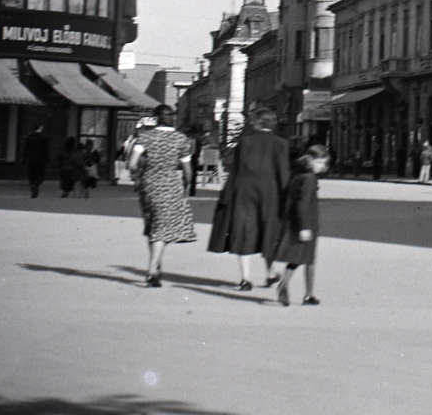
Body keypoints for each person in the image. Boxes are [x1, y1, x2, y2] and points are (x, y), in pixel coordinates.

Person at [208, 105, 291, 290]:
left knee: (244, 231)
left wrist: (226, 195)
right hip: (271, 193)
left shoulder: (244, 142)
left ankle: (245, 279)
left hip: (244, 192)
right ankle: (270, 273)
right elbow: (284, 173)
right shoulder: (281, 144)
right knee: (268, 231)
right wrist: (287, 198)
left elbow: (235, 171)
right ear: (273, 124)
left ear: (256, 123)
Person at [129, 106, 197, 286]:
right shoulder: (181, 139)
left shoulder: (144, 137)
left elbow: (132, 163)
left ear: (156, 118)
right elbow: (188, 171)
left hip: (148, 184)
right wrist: (186, 187)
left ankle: (157, 267)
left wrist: (138, 178)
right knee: (163, 227)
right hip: (171, 185)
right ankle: (152, 270)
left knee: (153, 225)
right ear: (172, 118)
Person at [272, 141, 328, 306]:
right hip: (306, 224)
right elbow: (302, 204)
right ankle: (307, 293)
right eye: (318, 162)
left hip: (296, 222)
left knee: (298, 257)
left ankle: (290, 285)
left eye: (323, 163)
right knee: (309, 260)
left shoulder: (298, 175)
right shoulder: (310, 179)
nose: (321, 166)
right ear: (309, 160)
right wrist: (304, 227)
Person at [21, 121, 50, 198]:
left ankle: (33, 187)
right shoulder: (44, 137)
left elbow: (26, 149)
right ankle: (36, 184)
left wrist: (24, 158)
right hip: (40, 160)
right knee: (41, 174)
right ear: (41, 127)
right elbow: (45, 150)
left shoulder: (29, 137)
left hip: (31, 159)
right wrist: (47, 159)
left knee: (32, 175)